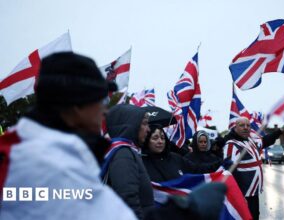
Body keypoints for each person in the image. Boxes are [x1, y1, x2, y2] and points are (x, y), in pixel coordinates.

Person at [0, 52, 136, 219]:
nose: (105, 110)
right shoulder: (49, 164)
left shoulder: (34, 150)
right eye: (100, 101)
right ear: (78, 105)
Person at [223, 117, 283, 220]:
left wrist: (279, 131)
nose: (246, 128)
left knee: (254, 216)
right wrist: (238, 195)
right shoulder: (232, 145)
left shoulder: (250, 141)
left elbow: (265, 141)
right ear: (235, 127)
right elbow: (229, 172)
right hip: (243, 194)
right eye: (242, 125)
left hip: (253, 193)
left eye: (248, 125)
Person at [102, 104, 154, 219]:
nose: (148, 129)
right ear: (131, 125)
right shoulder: (123, 153)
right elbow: (128, 201)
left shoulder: (126, 151)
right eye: (145, 123)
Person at [141, 124, 222, 182]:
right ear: (147, 140)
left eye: (163, 138)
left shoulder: (175, 158)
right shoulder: (140, 163)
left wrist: (221, 164)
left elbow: (197, 169)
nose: (160, 141)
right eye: (155, 138)